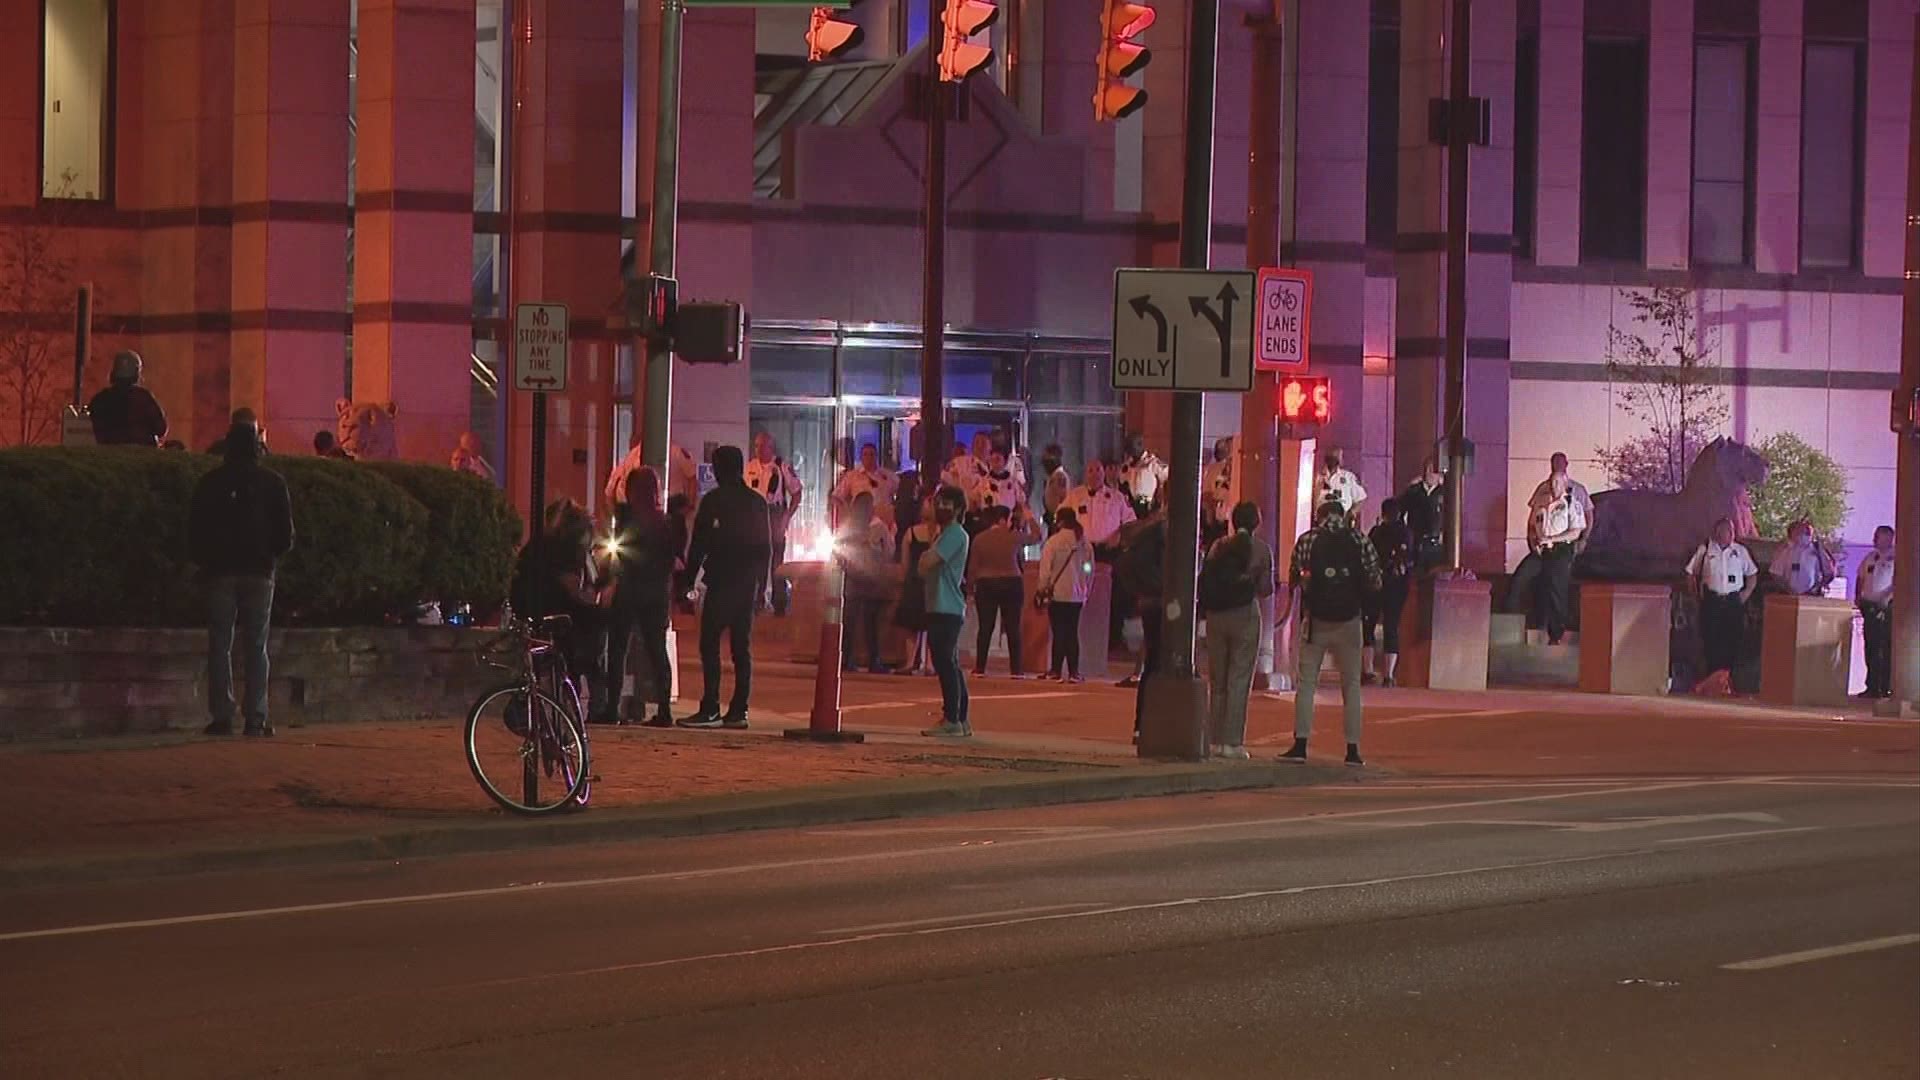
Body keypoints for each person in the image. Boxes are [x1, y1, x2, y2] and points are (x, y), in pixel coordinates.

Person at [188, 416, 294, 737]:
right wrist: (270, 555)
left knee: (220, 643)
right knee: (256, 645)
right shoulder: (273, 482)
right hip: (259, 571)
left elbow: (196, 529)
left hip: (220, 570)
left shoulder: (210, 482)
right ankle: (256, 716)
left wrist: (204, 560)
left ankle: (222, 715)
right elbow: (284, 534)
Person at [1280, 500, 1383, 767]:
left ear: (1320, 517)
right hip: (1350, 621)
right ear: (1343, 515)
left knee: (1307, 684)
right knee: (1350, 686)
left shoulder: (1307, 540)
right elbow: (1375, 580)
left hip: (1316, 622)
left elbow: (1294, 578)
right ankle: (1352, 750)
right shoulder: (1359, 540)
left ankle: (1300, 745)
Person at [681, 445, 773, 728]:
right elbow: (765, 549)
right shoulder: (757, 502)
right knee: (741, 649)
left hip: (721, 581)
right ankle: (738, 709)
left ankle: (711, 705)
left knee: (710, 644)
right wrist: (761, 588)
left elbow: (698, 545)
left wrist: (687, 582)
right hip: (746, 584)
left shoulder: (714, 500)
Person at [509, 497, 608, 716]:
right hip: (553, 612)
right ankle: (582, 708)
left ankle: (567, 706)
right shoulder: (564, 547)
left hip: (534, 609)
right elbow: (572, 588)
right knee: (580, 656)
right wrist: (595, 600)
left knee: (562, 660)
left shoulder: (540, 544)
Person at [603, 466, 679, 727]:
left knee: (618, 648)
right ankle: (664, 710)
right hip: (655, 592)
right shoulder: (665, 523)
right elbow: (670, 560)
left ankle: (612, 707)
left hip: (630, 589)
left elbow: (619, 553)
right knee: (657, 651)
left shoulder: (627, 517)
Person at [1200, 501, 1277, 760]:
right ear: (1256, 523)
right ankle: (1232, 743)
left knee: (1217, 680)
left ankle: (1214, 740)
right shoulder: (1261, 550)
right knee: (1239, 679)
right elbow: (1266, 589)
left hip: (1216, 616)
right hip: (1245, 614)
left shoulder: (1218, 546)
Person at [920, 486, 974, 737]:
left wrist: (925, 557)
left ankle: (952, 718)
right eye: (938, 501)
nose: (939, 507)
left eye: (946, 503)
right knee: (948, 662)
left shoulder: (955, 534)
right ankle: (960, 718)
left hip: (946, 606)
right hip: (940, 605)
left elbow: (928, 563)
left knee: (944, 662)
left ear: (959, 508)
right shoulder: (943, 534)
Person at [968, 503, 1041, 677]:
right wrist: (1030, 516)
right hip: (1011, 582)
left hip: (986, 583)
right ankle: (1016, 669)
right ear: (1002, 520)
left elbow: (973, 567)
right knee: (1013, 627)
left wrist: (970, 590)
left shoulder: (979, 539)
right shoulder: (1013, 536)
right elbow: (1037, 537)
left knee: (985, 627)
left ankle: (980, 667)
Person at [1687, 517, 1759, 679]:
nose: (1730, 533)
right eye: (1726, 530)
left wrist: (1745, 594)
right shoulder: (1705, 549)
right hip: (1712, 600)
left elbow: (1752, 574)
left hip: (1733, 601)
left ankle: (1728, 678)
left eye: (1732, 530)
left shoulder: (1740, 551)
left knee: (1733, 638)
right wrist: (1696, 596)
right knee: (1711, 639)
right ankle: (1712, 678)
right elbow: (1691, 573)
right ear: (1718, 532)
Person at [1527, 458, 1588, 645]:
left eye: (1557, 482)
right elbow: (1533, 523)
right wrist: (1535, 540)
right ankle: (1541, 628)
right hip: (1545, 551)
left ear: (1565, 483)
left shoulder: (1572, 503)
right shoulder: (1542, 501)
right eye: (1551, 481)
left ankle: (1557, 633)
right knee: (1542, 587)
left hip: (1562, 550)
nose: (1554, 486)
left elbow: (1576, 531)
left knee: (1557, 590)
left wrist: (1553, 539)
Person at [1119, 510, 1168, 742]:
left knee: (1152, 661)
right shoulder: (1164, 534)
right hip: (1164, 602)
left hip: (1149, 601)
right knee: (1163, 661)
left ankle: (1142, 725)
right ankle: (1153, 724)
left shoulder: (1145, 535)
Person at [837, 491, 896, 674]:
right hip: (870, 579)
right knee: (869, 624)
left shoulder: (850, 526)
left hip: (856, 579)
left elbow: (839, 550)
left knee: (852, 622)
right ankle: (871, 659)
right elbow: (889, 551)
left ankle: (847, 658)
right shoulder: (878, 528)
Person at [744, 432, 803, 616]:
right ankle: (757, 601)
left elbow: (797, 492)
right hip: (755, 516)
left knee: (777, 562)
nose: (759, 450)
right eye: (756, 446)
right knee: (756, 560)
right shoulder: (749, 467)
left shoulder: (781, 467)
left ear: (771, 447)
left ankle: (779, 603)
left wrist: (787, 516)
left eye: (763, 446)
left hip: (775, 513)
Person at [1036, 508, 1094, 682]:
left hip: (1057, 593)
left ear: (1060, 521)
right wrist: (1085, 592)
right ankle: (1074, 672)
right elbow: (1089, 570)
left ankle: (1055, 670)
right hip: (1077, 595)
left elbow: (1045, 570)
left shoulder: (1053, 542)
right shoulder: (1084, 543)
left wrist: (1042, 589)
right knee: (1072, 633)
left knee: (1059, 632)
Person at [1365, 498, 1414, 686]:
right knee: (1391, 626)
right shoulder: (1405, 533)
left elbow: (1367, 556)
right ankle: (1389, 675)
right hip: (1397, 585)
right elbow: (1409, 559)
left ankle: (1368, 671)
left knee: (1368, 625)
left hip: (1375, 584)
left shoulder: (1376, 532)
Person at [893, 495, 938, 674]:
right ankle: (930, 664)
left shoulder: (911, 532)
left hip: (913, 581)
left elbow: (904, 562)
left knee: (911, 626)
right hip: (932, 582)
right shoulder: (941, 533)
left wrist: (902, 583)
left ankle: (910, 662)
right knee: (931, 624)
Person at [88, 349, 169, 447]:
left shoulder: (100, 399)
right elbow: (161, 429)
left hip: (109, 456)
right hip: (142, 457)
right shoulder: (144, 398)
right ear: (137, 373)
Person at [1856, 525, 1896, 699]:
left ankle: (1884, 686)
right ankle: (1871, 686)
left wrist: (1886, 601)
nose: (1881, 540)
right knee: (1871, 647)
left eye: (1885, 537)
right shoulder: (1870, 557)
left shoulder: (1897, 558)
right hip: (1869, 606)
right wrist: (1858, 597)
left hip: (1886, 607)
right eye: (1879, 536)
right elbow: (1861, 578)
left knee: (1884, 647)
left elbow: (1897, 583)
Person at [1401, 456, 1447, 570]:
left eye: (1432, 470)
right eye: (1426, 469)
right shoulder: (1413, 491)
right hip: (1417, 542)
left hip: (1436, 543)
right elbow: (1401, 513)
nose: (1428, 473)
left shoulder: (1445, 492)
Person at [1770, 519, 1836, 596]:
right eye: (1802, 531)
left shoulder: (1818, 550)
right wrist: (1789, 591)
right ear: (1792, 533)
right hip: (1788, 597)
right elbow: (1776, 574)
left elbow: (1829, 573)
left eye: (1808, 532)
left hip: (1812, 597)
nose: (1805, 534)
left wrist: (1816, 588)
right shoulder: (1785, 551)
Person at [833, 442, 897, 516]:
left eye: (871, 454)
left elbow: (901, 491)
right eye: (865, 454)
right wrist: (846, 513)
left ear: (876, 456)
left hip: (884, 518)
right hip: (861, 518)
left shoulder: (888, 475)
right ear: (861, 457)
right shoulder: (852, 476)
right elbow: (836, 496)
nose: (868, 457)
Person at [1118, 434, 1170, 518]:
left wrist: (1162, 499)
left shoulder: (1152, 462)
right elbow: (1121, 482)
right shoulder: (1127, 466)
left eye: (1132, 448)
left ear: (1140, 445)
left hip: (1149, 504)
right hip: (1132, 507)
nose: (1130, 453)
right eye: (1128, 450)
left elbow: (1167, 476)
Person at [1201, 437, 1235, 547]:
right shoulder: (1214, 469)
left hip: (1235, 523)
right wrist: (1210, 517)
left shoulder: (1242, 469)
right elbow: (1207, 494)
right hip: (1218, 522)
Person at [1316, 447, 1367, 517]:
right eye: (1330, 457)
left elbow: (1361, 498)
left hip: (1342, 519)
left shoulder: (1348, 476)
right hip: (1323, 519)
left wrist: (1351, 513)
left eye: (1336, 457)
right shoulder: (1319, 476)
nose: (1333, 460)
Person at [1040, 443, 1072, 528]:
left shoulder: (1060, 476)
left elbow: (1063, 500)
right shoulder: (1052, 476)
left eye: (1048, 460)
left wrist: (1056, 519)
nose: (1045, 464)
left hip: (1058, 521)